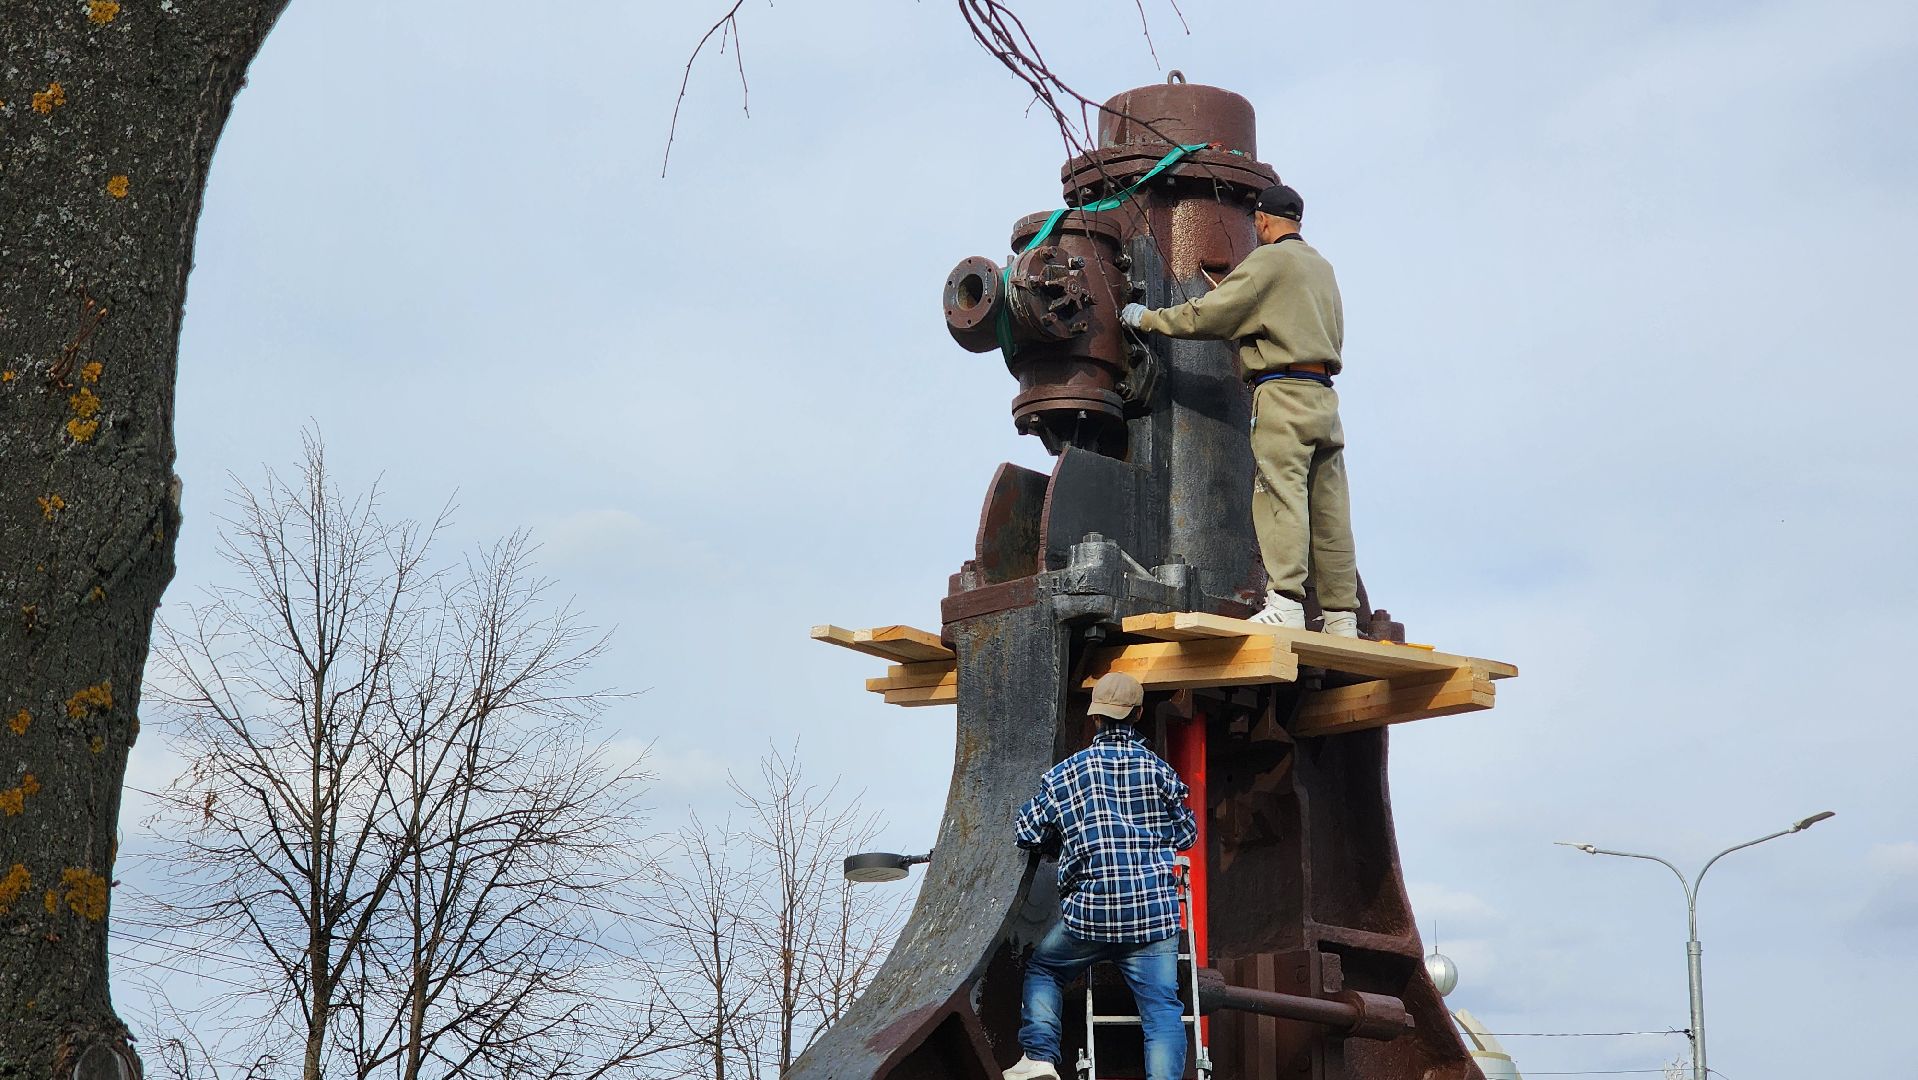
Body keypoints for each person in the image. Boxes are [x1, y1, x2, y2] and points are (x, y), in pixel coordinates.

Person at [1121, 183, 1361, 636]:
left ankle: (1287, 603)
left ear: (1264, 221)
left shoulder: (1268, 261)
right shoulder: (1321, 267)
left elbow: (1206, 315)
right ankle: (1341, 618)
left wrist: (1147, 318)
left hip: (1282, 393)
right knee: (1329, 509)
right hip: (1324, 397)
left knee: (1280, 495)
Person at [1003, 672, 1198, 1080]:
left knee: (1045, 970)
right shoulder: (1160, 772)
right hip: (1152, 914)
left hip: (1091, 913)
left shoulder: (1066, 775)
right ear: (1139, 714)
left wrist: (1064, 838)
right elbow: (1187, 834)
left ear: (1095, 718)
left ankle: (1039, 1059)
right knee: (1162, 1010)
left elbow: (1027, 832)